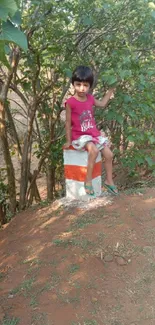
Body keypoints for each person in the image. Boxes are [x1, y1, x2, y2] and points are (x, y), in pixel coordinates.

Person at [64, 65, 118, 196]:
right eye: (78, 84)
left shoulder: (90, 99)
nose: (82, 88)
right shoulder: (70, 102)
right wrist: (68, 141)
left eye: (85, 85)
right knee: (93, 150)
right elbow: (67, 122)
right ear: (73, 84)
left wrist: (110, 90)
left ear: (90, 86)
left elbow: (103, 104)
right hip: (80, 136)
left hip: (93, 134)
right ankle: (87, 180)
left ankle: (109, 181)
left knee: (109, 155)